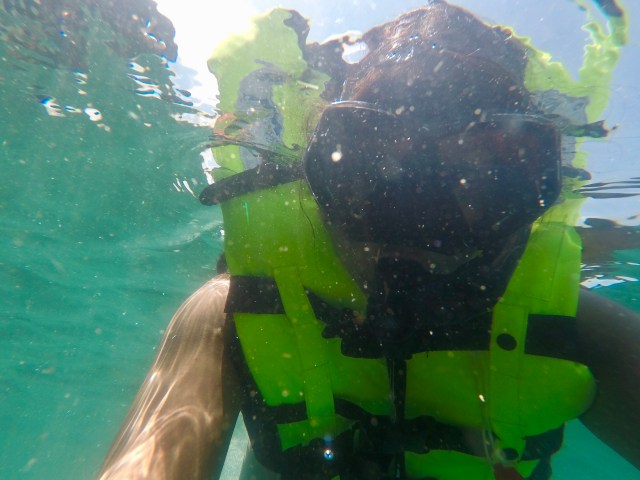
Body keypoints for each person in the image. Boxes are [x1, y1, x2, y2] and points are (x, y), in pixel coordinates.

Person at [99, 2, 640, 479]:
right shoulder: (226, 313)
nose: (419, 229)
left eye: (482, 182)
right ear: (313, 181)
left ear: (532, 195)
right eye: (375, 174)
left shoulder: (582, 332)